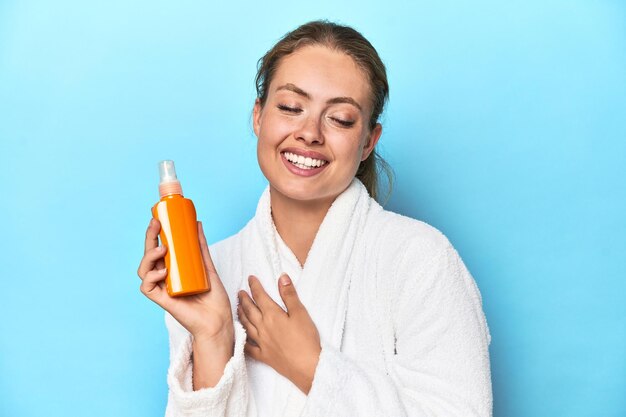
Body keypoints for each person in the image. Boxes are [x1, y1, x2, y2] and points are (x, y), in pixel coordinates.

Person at [137, 20, 492, 417]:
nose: (309, 133)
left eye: (339, 118)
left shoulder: (421, 261)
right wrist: (214, 336)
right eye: (290, 107)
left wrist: (312, 366)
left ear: (367, 143)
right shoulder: (211, 272)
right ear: (258, 117)